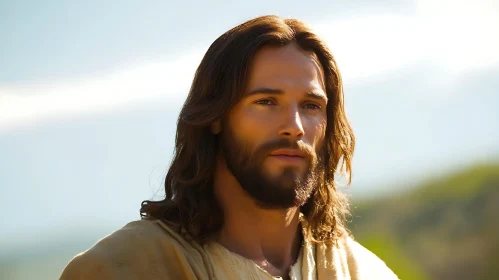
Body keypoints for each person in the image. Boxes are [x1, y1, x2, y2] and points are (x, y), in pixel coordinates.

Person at [60, 15, 398, 280]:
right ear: (216, 117)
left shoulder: (363, 273)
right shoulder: (125, 269)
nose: (294, 126)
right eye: (266, 101)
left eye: (311, 106)